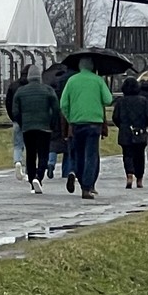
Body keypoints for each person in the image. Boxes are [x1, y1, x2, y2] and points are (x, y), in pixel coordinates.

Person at [58, 53, 112, 200]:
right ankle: (87, 187)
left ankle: (79, 177)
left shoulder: (72, 81)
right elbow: (108, 99)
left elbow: (63, 104)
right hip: (94, 122)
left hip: (76, 123)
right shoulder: (98, 80)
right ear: (92, 66)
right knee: (91, 155)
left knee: (79, 153)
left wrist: (70, 118)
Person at [8, 68, 58, 194]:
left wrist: (22, 123)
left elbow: (15, 111)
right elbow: (56, 108)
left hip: (27, 127)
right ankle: (39, 176)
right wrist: (52, 123)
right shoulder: (48, 90)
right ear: (39, 77)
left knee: (30, 154)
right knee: (43, 154)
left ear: (29, 77)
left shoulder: (21, 91)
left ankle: (31, 181)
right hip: (44, 127)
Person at [112, 74, 148, 190]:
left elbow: (115, 117)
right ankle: (139, 179)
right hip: (140, 132)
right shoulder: (143, 101)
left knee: (127, 155)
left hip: (125, 132)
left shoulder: (120, 102)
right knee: (139, 156)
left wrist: (121, 126)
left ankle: (129, 175)